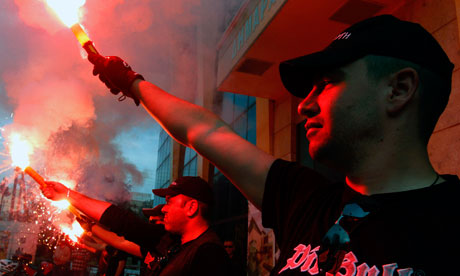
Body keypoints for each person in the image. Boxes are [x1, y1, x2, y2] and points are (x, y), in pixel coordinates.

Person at [85, 13, 460, 275]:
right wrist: (128, 80)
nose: (304, 105)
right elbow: (203, 130)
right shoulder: (305, 199)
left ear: (399, 89)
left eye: (326, 83)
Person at [40, 176, 232, 276]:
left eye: (169, 202)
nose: (163, 209)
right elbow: (122, 222)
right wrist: (67, 194)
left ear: (191, 207)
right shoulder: (170, 243)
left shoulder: (208, 255)